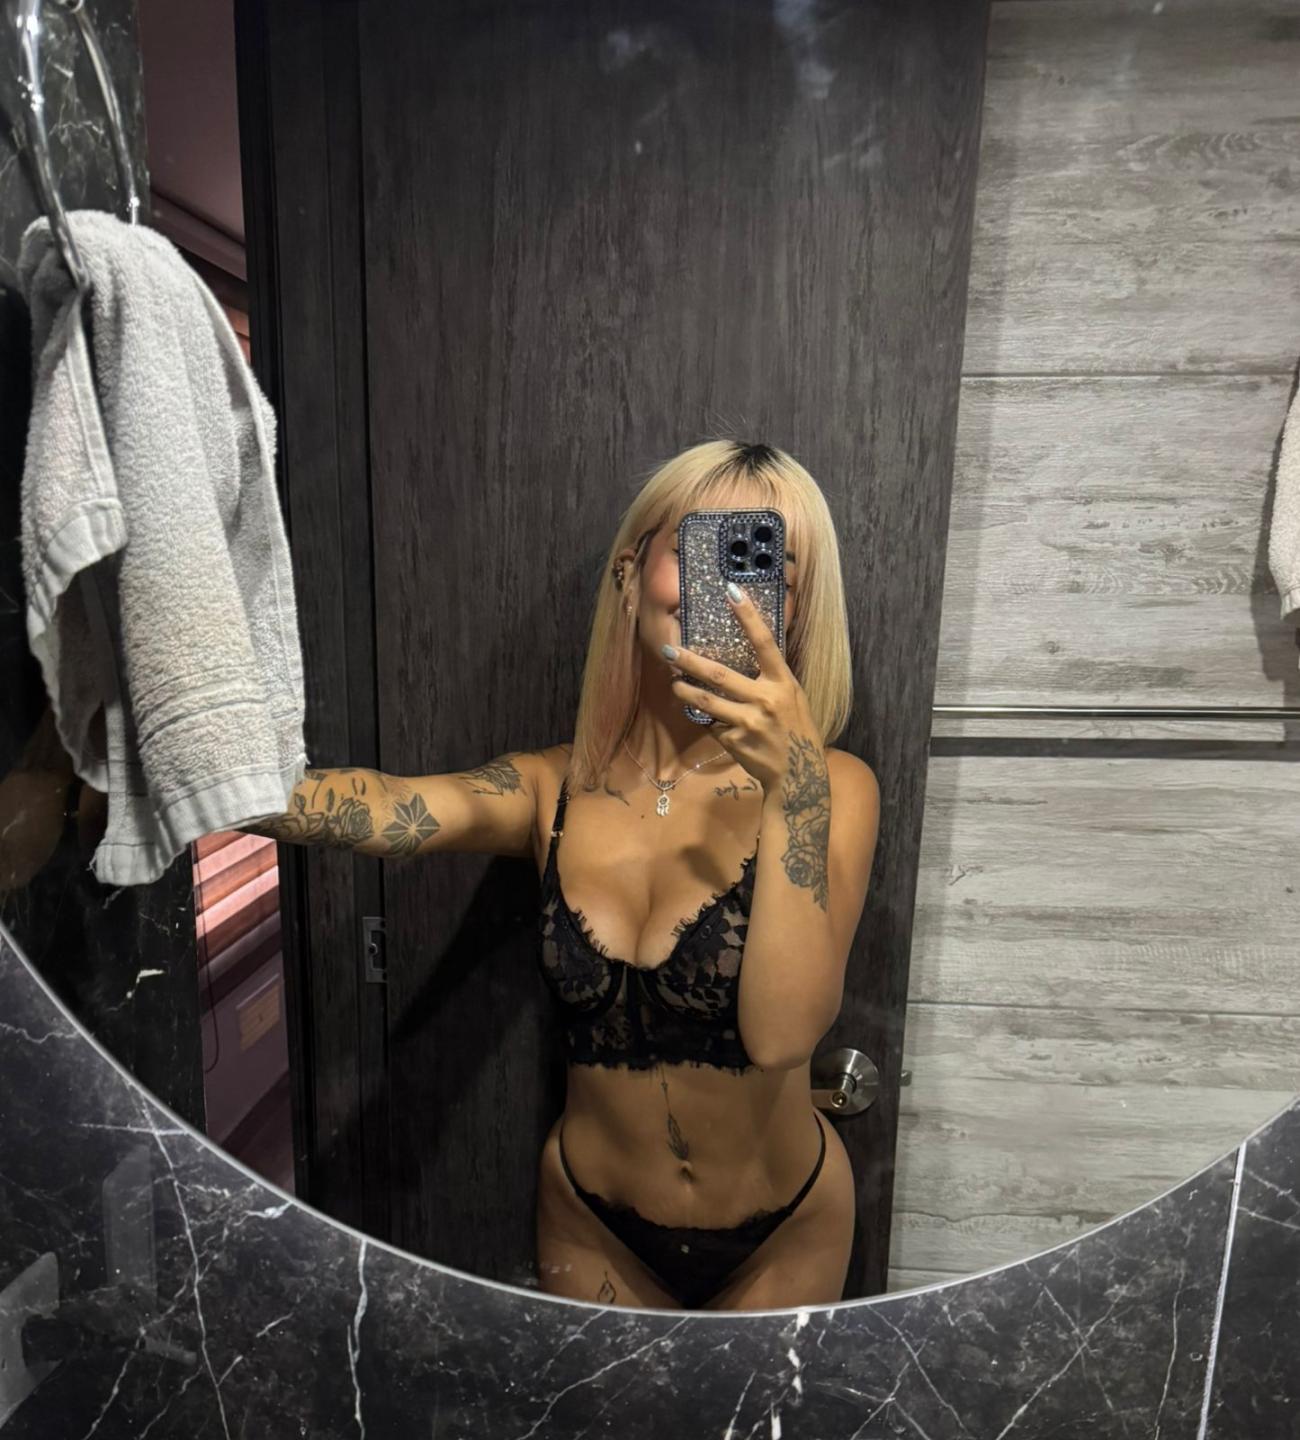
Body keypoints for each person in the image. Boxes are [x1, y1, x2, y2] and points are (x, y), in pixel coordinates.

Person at [243, 438, 880, 1310]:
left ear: (797, 609)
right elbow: (388, 810)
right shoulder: (552, 789)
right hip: (592, 1219)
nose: (730, 593)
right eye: (701, 552)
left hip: (785, 1229)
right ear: (631, 574)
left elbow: (780, 1038)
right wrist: (191, 779)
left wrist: (794, 786)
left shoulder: (834, 787)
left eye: (767, 567)